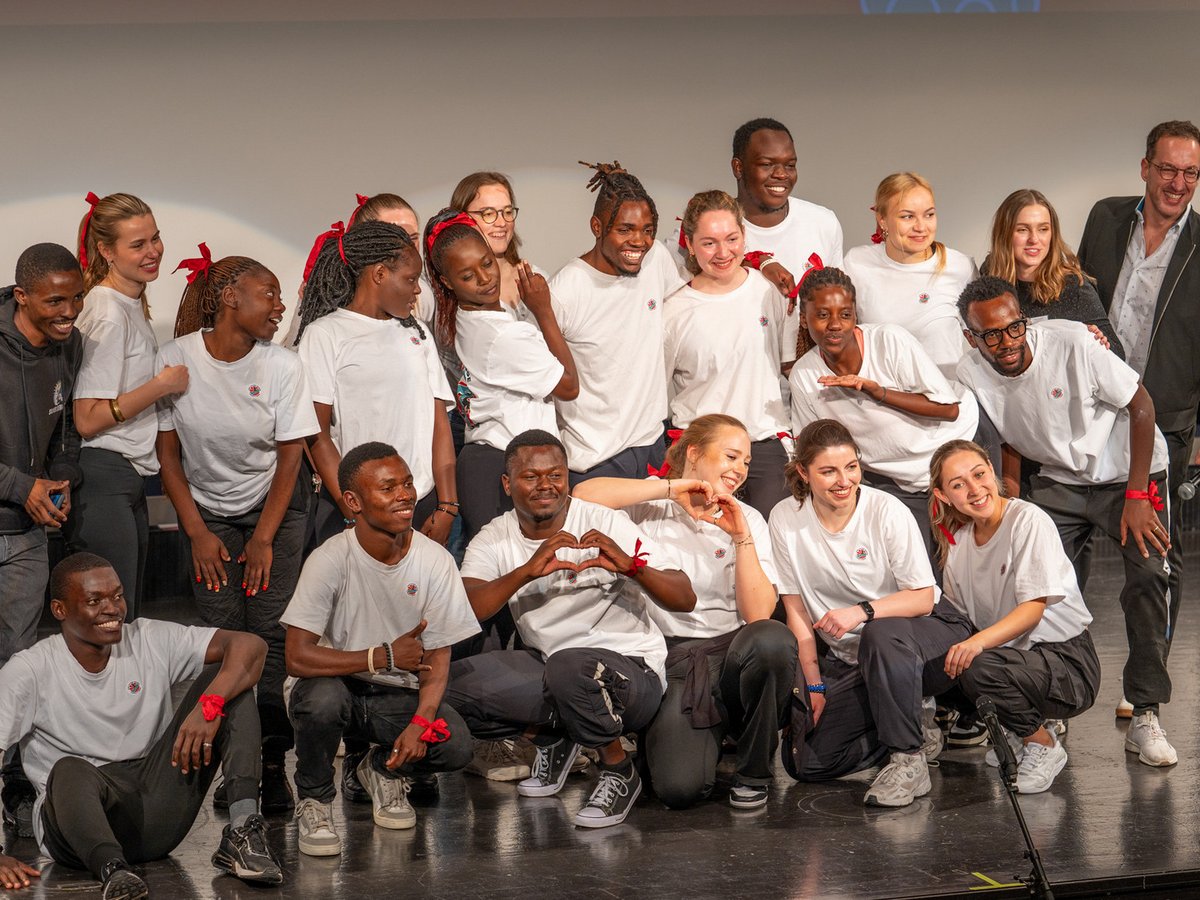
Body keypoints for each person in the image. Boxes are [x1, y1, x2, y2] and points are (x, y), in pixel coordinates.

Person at [955, 276, 1177, 767]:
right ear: (971, 337)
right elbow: (1006, 436)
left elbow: (1141, 405)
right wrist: (1008, 494)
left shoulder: (1072, 341)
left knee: (1148, 580)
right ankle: (1048, 710)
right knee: (1037, 591)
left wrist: (1137, 495)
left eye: (1014, 327)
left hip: (1127, 472)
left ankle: (1145, 712)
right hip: (1059, 480)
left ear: (1024, 320)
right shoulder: (970, 372)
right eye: (990, 335)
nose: (1006, 342)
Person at [448, 429, 695, 829]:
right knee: (447, 689)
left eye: (556, 475)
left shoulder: (604, 521)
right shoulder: (495, 538)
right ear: (508, 484)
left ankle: (619, 771)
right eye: (531, 477)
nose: (546, 485)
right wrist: (526, 571)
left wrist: (633, 568)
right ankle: (554, 737)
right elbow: (467, 609)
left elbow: (684, 597)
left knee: (571, 666)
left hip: (631, 672)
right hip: (552, 668)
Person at [0, 552, 282, 896]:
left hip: (152, 805)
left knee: (228, 683)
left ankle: (242, 832)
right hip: (75, 828)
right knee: (69, 769)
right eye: (94, 601)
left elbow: (251, 645)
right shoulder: (29, 670)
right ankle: (113, 871)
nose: (112, 609)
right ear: (60, 610)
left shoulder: (147, 637)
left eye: (117, 596)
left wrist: (210, 706)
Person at [156, 249, 319, 813]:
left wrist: (264, 538)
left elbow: (292, 456)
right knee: (224, 634)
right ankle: (235, 764)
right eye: (269, 294)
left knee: (269, 633)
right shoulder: (175, 358)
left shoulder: (283, 365)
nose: (280, 307)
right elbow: (168, 456)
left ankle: (271, 763)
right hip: (208, 515)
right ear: (229, 298)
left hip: (276, 509)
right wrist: (198, 533)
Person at [574, 414, 796, 810]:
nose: (740, 470)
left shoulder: (749, 519)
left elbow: (759, 614)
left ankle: (753, 772)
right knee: (679, 789)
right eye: (731, 456)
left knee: (772, 640)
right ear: (694, 453)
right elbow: (582, 495)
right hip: (674, 659)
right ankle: (695, 736)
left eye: (746, 462)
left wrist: (740, 537)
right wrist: (670, 489)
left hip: (733, 655)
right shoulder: (648, 508)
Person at [282, 442, 478, 857]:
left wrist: (421, 722)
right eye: (388, 488)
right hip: (335, 685)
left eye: (407, 483)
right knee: (320, 702)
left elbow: (438, 657)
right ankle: (315, 800)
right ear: (353, 502)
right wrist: (382, 656)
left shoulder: (436, 560)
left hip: (396, 694)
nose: (405, 495)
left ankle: (379, 768)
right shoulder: (329, 558)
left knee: (456, 744)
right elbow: (297, 656)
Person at [768, 419, 972, 808]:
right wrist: (814, 684)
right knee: (807, 763)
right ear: (804, 473)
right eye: (828, 471)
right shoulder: (784, 517)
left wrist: (862, 612)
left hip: (926, 637)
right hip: (855, 658)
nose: (844, 480)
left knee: (881, 632)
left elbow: (923, 598)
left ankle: (909, 759)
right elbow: (795, 610)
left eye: (851, 467)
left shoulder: (886, 510)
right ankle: (912, 720)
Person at [1077, 120, 1200, 717]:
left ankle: (1143, 693)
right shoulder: (1105, 217)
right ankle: (1059, 689)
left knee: (1154, 564)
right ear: (1145, 167)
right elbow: (1074, 297)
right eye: (1168, 169)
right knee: (1064, 554)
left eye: (1191, 173)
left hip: (1163, 423)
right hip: (1089, 414)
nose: (1178, 183)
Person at [928, 440, 1100, 794]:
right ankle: (1014, 729)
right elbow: (960, 621)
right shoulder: (959, 544)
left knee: (975, 664)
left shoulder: (1027, 520)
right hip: (1013, 660)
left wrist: (974, 645)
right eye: (958, 484)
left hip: (1067, 665)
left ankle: (1042, 743)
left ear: (992, 470)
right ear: (943, 495)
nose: (974, 489)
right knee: (938, 662)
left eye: (979, 474)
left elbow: (1032, 611)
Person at [788, 265, 980, 556]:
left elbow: (949, 410)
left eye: (845, 314)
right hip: (896, 479)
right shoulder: (804, 375)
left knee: (979, 554)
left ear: (855, 315)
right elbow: (813, 445)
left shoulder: (889, 340)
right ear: (804, 319)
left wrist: (877, 392)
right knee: (922, 566)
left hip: (957, 449)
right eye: (823, 315)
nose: (835, 324)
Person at [296, 220, 458, 547]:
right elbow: (316, 436)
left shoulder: (418, 333)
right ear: (380, 274)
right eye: (411, 279)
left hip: (422, 503)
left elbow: (439, 423)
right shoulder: (325, 334)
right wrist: (353, 511)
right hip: (355, 510)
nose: (417, 290)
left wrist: (447, 506)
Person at [68, 192, 188, 620]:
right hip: (104, 475)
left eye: (155, 238)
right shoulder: (106, 310)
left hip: (127, 475)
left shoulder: (128, 303)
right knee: (109, 619)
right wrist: (160, 386)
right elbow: (87, 419)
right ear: (106, 251)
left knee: (126, 614)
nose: (153, 251)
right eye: (138, 244)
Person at [425, 208, 578, 542]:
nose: (485, 279)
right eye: (468, 275)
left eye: (486, 263)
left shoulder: (468, 315)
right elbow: (569, 386)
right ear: (447, 282)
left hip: (491, 459)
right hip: (501, 465)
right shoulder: (503, 335)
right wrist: (543, 310)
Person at [0, 243, 84, 835]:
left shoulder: (68, 344)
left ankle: (13, 787)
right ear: (21, 295)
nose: (69, 312)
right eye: (55, 301)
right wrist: (20, 484)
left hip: (28, 536)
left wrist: (61, 478)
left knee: (17, 665)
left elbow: (67, 430)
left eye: (76, 298)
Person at [548, 162, 684, 483]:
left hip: (652, 445)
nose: (639, 241)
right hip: (596, 459)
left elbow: (683, 315)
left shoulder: (655, 259)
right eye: (625, 229)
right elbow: (544, 380)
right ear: (597, 227)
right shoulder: (565, 290)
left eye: (647, 230)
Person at [664, 190, 792, 516]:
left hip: (763, 444)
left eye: (731, 239)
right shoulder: (673, 310)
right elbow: (656, 390)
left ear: (744, 235)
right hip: (701, 449)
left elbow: (790, 365)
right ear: (690, 244)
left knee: (767, 539)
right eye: (709, 243)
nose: (723, 252)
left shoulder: (769, 291)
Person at [720, 118, 844, 381]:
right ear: (738, 167)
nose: (781, 174)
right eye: (767, 164)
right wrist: (759, 263)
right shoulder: (711, 229)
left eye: (790, 165)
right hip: (737, 386)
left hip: (811, 384)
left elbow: (839, 306)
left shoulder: (822, 222)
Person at [844, 172, 976, 380]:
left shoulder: (961, 267)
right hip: (880, 396)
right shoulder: (856, 263)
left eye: (929, 215)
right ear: (882, 220)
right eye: (907, 216)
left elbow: (984, 341)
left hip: (946, 395)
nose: (921, 227)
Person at [981, 188, 1121, 352]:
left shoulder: (1074, 286)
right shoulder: (989, 276)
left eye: (1043, 229)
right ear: (1004, 234)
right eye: (1022, 230)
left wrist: (1098, 341)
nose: (1034, 239)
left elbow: (1118, 354)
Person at [451, 171, 543, 318]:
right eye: (488, 214)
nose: (502, 223)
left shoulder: (536, 278)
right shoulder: (451, 293)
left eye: (507, 212)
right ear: (462, 219)